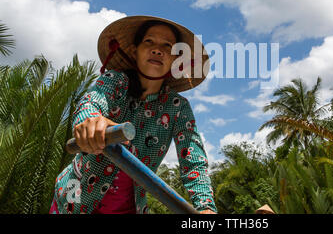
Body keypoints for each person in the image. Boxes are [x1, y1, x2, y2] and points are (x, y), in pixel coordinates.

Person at [50, 15, 217, 214]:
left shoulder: (178, 107)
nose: (157, 49)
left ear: (176, 60)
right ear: (135, 51)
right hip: (73, 199)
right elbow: (92, 101)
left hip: (127, 208)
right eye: (149, 41)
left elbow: (193, 159)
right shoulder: (115, 82)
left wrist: (206, 207)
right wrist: (91, 121)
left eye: (168, 46)